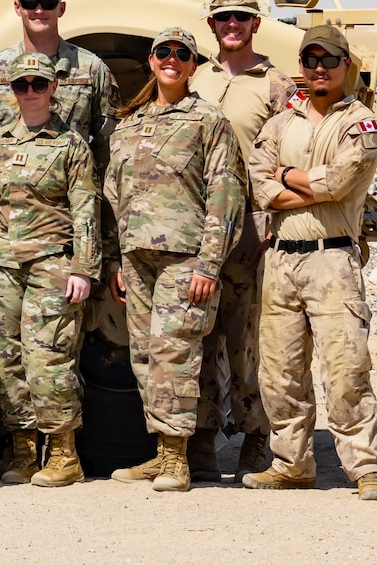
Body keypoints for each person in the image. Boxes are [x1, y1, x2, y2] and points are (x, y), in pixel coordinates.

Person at [245, 25, 377, 501]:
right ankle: (291, 463)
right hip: (281, 260)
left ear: (345, 64)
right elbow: (258, 181)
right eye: (310, 60)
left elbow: (340, 182)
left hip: (332, 262)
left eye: (328, 60)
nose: (319, 69)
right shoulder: (282, 122)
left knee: (346, 367)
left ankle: (365, 467)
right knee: (279, 371)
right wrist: (297, 184)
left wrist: (285, 179)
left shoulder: (360, 123)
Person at [103, 27, 244, 492]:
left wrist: (209, 264)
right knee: (144, 356)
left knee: (175, 354)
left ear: (193, 65)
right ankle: (159, 448)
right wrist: (116, 262)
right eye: (163, 52)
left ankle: (176, 458)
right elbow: (113, 197)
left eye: (181, 54)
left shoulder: (207, 119)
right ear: (151, 60)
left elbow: (225, 194)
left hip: (184, 258)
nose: (171, 59)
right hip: (136, 258)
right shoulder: (130, 122)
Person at [0, 51, 99, 487]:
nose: (31, 92)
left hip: (52, 264)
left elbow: (86, 208)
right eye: (22, 85)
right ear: (12, 91)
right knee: (5, 360)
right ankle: (22, 451)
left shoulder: (71, 145)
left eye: (39, 84)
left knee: (49, 358)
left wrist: (84, 267)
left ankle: (63, 453)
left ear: (54, 87)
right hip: (0, 265)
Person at [189, 0, 299, 478]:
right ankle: (202, 441)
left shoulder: (274, 85)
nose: (231, 25)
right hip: (195, 227)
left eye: (241, 17)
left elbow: (289, 157)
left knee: (247, 342)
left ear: (256, 24)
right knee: (199, 340)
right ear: (210, 25)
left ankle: (259, 438)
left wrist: (271, 227)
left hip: (251, 230)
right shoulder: (195, 77)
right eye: (223, 18)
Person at [0, 0, 120, 173]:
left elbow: (109, 140)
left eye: (48, 4)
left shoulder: (91, 69)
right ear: (18, 7)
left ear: (61, 8)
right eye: (30, 3)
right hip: (8, 196)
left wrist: (89, 189)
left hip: (70, 195)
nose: (39, 10)